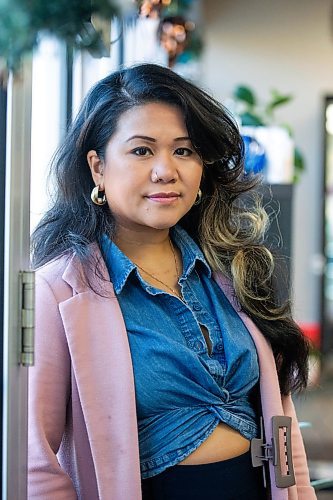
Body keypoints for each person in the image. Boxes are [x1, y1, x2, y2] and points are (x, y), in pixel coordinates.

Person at [28, 63, 316, 500]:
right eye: (142, 151)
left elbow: (281, 424)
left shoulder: (231, 268)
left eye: (184, 151)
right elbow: (37, 464)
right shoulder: (59, 291)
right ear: (98, 167)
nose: (166, 171)